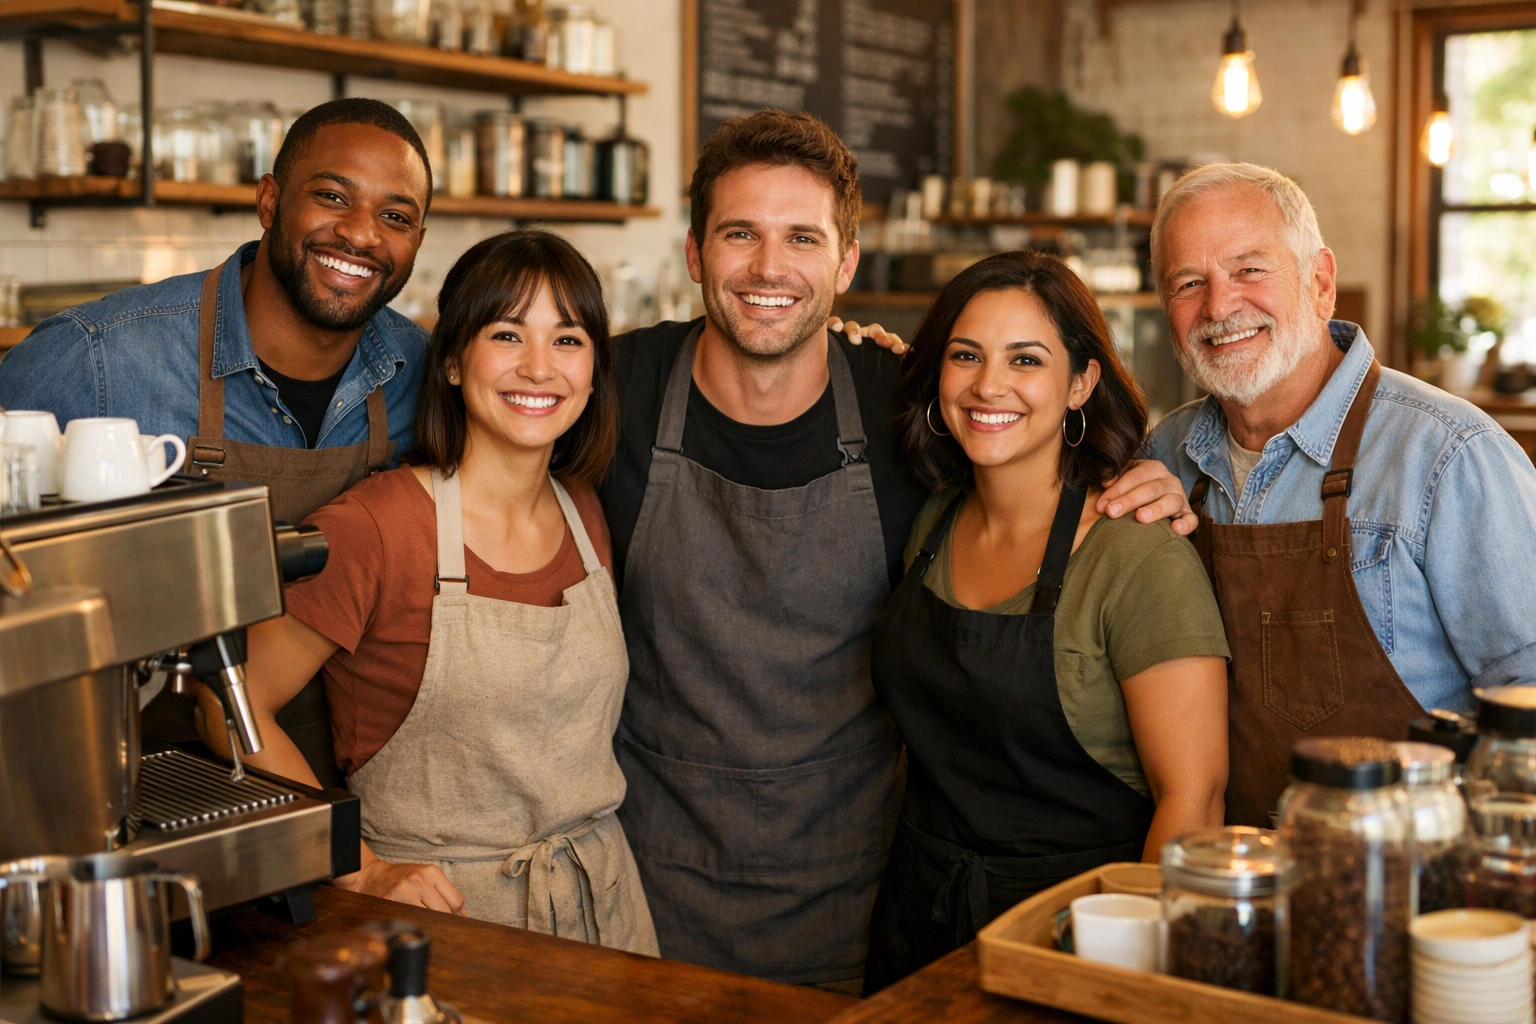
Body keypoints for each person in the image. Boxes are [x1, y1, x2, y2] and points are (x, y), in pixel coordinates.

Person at [600, 109, 1196, 991]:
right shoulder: (609, 391)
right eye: (739, 235)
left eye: (802, 238)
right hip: (647, 883)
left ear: (844, 263)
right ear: (694, 253)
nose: (769, 268)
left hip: (855, 891)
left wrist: (1144, 479)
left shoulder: (905, 410)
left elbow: (1020, 436)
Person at [197, 230, 658, 954]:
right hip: (446, 925)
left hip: (603, 913)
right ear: (449, 361)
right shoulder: (376, 526)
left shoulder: (586, 510)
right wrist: (358, 867)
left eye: (567, 340)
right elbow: (228, 703)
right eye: (507, 334)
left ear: (596, 370)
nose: (539, 368)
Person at [0, 98, 434, 787]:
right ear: (268, 200)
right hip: (116, 781)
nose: (360, 234)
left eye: (395, 216)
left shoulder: (422, 370)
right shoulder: (100, 358)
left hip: (341, 788)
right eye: (331, 196)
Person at [862, 250, 1229, 992]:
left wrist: (1123, 975)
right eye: (966, 355)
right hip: (917, 923)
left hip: (1076, 936)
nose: (988, 385)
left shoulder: (1136, 554)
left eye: (1025, 359)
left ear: (1081, 383)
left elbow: (1195, 800)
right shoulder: (931, 517)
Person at [1134, 162, 1536, 826]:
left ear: (1320, 282)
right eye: (1188, 283)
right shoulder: (1168, 457)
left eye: (1249, 270)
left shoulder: (1448, 455)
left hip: (1410, 890)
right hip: (1230, 881)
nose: (1219, 306)